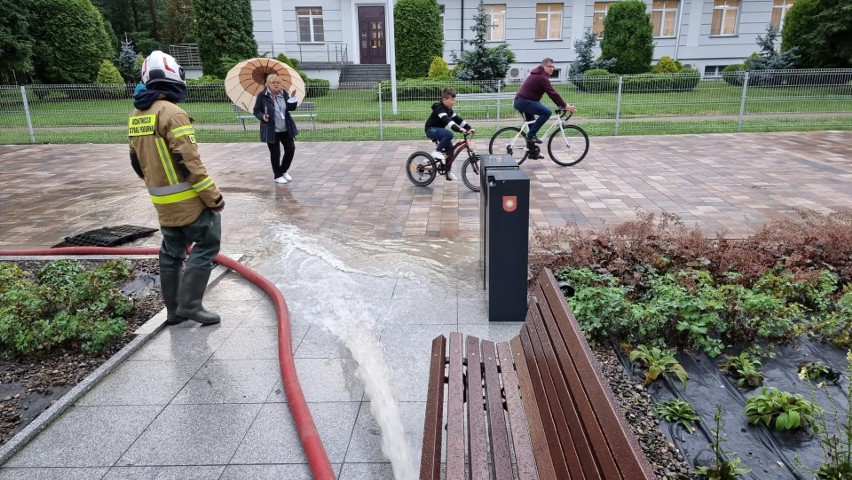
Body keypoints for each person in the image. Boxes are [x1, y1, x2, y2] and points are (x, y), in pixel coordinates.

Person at [129, 50, 225, 326]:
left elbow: (136, 162)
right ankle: (191, 305)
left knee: (171, 252)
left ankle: (173, 311)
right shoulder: (172, 113)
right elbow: (189, 162)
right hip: (189, 201)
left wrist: (159, 184)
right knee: (207, 243)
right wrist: (213, 197)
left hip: (162, 201)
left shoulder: (137, 114)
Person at [514, 58, 576, 157]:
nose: (552, 68)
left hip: (523, 101)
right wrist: (565, 106)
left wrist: (562, 105)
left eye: (553, 67)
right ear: (543, 66)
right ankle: (530, 136)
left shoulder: (539, 75)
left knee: (532, 127)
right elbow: (553, 94)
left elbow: (552, 94)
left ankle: (533, 152)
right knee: (546, 112)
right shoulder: (541, 77)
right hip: (524, 102)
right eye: (549, 66)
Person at [253, 74, 299, 184]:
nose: (276, 84)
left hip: (285, 128)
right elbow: (256, 110)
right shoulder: (262, 96)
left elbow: (290, 108)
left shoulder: (284, 94)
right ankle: (277, 176)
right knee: (275, 153)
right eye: (273, 82)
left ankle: (283, 171)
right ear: (268, 84)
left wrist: (292, 98)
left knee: (290, 149)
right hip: (271, 129)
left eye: (278, 82)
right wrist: (262, 116)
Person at [423, 88, 475, 181]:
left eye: (454, 100)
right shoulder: (440, 108)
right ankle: (436, 152)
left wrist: (469, 128)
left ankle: (448, 172)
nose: (453, 102)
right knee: (449, 134)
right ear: (444, 100)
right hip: (431, 130)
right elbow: (448, 121)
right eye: (452, 100)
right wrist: (459, 129)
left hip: (439, 131)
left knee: (450, 151)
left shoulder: (448, 110)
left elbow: (458, 120)